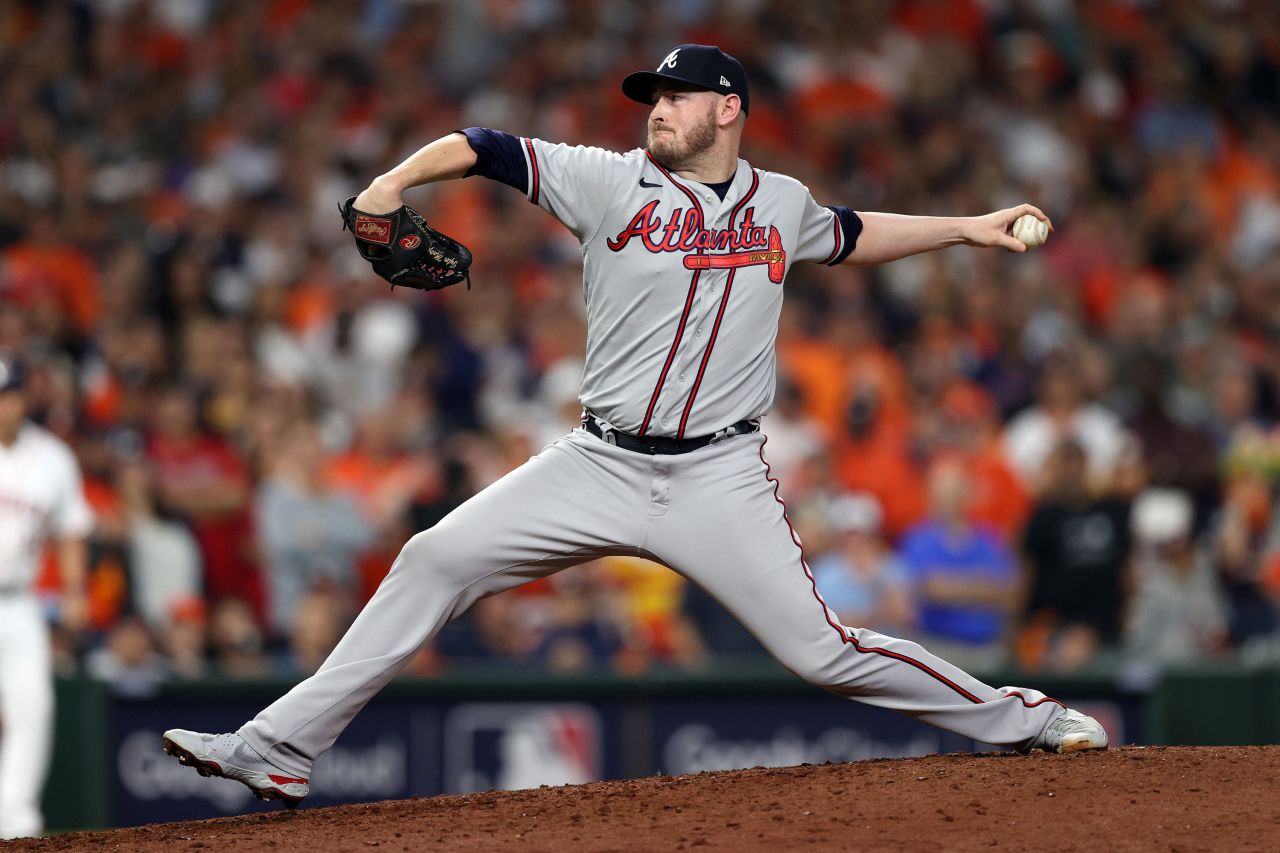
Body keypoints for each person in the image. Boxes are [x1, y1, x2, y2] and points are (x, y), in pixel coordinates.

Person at [163, 44, 1106, 807]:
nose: (657, 109)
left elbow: (851, 233)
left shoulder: (780, 203)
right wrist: (387, 188)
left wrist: (969, 226)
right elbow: (484, 145)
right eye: (652, 97)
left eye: (678, 97)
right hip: (597, 462)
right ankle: (279, 748)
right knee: (433, 558)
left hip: (720, 478)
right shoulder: (607, 181)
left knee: (820, 649)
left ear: (727, 108)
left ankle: (1025, 719)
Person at [0, 354, 94, 838]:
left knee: (32, 707)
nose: (3, 405)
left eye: (9, 395)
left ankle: (15, 825)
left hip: (17, 602)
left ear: (22, 397)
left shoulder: (53, 457)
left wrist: (76, 591)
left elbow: (71, 530)